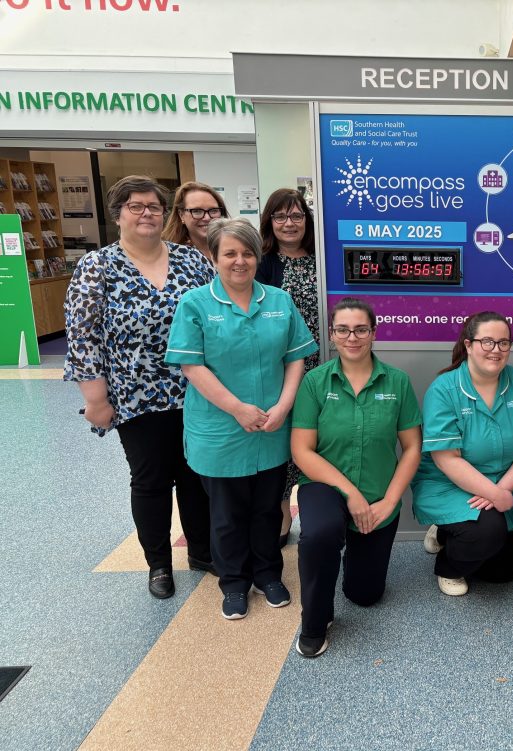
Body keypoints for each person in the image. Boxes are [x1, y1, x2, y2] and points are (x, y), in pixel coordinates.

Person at [65, 174, 214, 600]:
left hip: (195, 390)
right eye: (136, 206)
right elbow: (82, 335)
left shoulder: (190, 260)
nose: (147, 213)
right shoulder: (98, 266)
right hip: (134, 395)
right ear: (118, 215)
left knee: (194, 474)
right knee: (150, 480)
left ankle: (202, 551)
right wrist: (95, 398)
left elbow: (213, 315)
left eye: (154, 206)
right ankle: (159, 564)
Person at [165, 217, 317, 621]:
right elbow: (192, 368)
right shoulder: (195, 304)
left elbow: (296, 357)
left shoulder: (279, 302)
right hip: (220, 429)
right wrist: (237, 408)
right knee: (227, 514)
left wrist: (284, 406)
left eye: (248, 252)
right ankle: (232, 582)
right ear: (214, 257)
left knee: (268, 508)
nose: (240, 261)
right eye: (229, 253)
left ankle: (268, 574)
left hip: (271, 425)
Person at [290, 298, 422, 658]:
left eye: (361, 329)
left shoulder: (397, 382)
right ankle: (315, 621)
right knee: (319, 535)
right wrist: (351, 494)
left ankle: (349, 556)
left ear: (373, 333)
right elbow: (302, 450)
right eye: (343, 329)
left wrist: (390, 502)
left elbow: (412, 448)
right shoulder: (315, 382)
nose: (353, 337)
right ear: (332, 335)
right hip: (325, 485)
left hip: (379, 494)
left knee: (365, 596)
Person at [412, 312, 513, 596]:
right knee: (486, 533)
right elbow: (447, 459)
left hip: (505, 485)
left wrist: (500, 490)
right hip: (448, 484)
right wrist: (494, 495)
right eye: (487, 342)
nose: (495, 350)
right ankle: (447, 566)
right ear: (468, 345)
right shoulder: (444, 389)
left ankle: (449, 533)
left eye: (503, 343)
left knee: (503, 573)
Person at [256, 189, 321, 547]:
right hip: (282, 369)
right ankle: (281, 519)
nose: (289, 223)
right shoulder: (264, 263)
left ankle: (320, 515)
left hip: (324, 364)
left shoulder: (321, 257)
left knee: (320, 439)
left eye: (296, 216)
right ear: (269, 223)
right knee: (283, 443)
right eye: (280, 217)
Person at [161, 181, 228, 263]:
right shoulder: (170, 257)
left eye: (213, 210)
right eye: (197, 211)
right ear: (181, 215)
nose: (207, 218)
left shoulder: (237, 247)